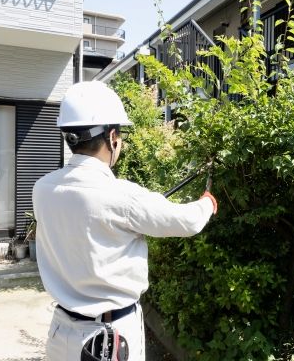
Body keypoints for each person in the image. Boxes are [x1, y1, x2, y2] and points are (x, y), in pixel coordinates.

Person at [32, 81, 217, 360]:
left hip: (60, 334)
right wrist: (206, 203)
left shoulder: (42, 189)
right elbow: (186, 221)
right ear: (112, 136)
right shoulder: (123, 196)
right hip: (108, 338)